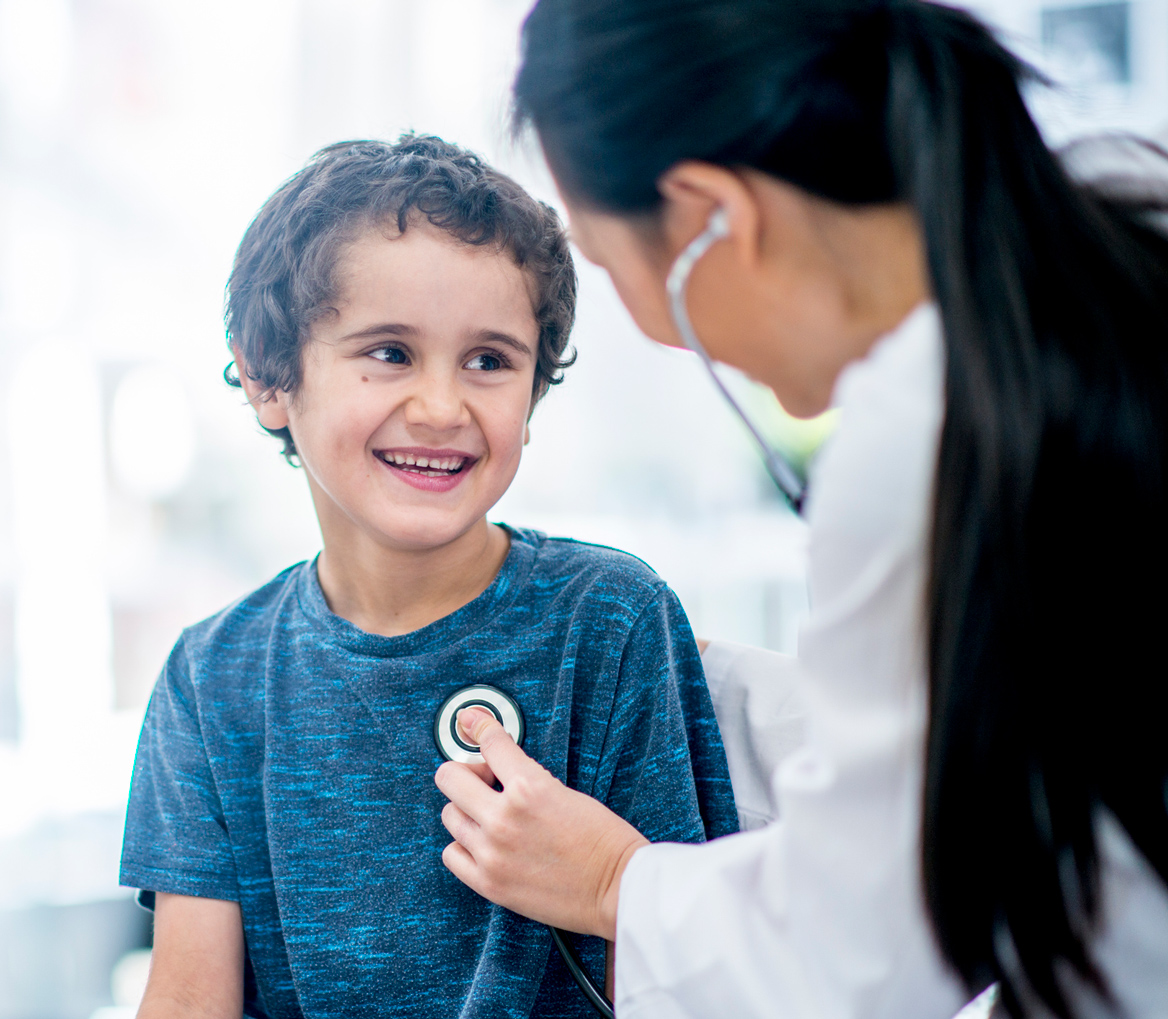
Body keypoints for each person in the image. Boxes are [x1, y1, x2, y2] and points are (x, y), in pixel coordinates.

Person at [433, 2, 1168, 1017]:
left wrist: (614, 883)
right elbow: (994, 727)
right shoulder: (1116, 213)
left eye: (608, 264)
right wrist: (676, 675)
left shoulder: (928, 423)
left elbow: (868, 950)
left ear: (711, 218)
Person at [119, 133, 739, 1019]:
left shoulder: (610, 621)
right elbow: (187, 999)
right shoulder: (210, 677)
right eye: (390, 352)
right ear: (267, 375)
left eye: (489, 361)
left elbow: (690, 973)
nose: (443, 407)